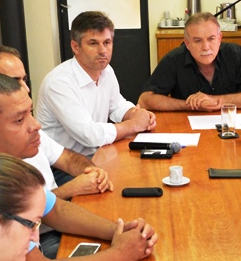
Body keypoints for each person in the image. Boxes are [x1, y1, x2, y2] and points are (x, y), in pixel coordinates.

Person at [0, 73, 157, 261]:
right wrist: (122, 253)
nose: (36, 125)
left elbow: (55, 210)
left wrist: (120, 231)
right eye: (19, 120)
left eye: (30, 113)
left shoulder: (1, 161)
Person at [0, 45, 113, 200]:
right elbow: (23, 214)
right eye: (14, 81)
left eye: (24, 79)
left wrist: (94, 172)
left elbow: (69, 159)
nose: (26, 89)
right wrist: (71, 189)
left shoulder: (30, 129)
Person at [35, 11, 156, 180]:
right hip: (61, 167)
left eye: (107, 42)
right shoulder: (59, 83)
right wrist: (134, 125)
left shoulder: (106, 71)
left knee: (146, 171)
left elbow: (117, 105)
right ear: (75, 47)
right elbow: (90, 136)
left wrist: (137, 114)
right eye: (93, 43)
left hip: (96, 155)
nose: (102, 50)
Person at [137, 12, 241, 111]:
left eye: (211, 39)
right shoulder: (174, 59)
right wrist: (191, 105)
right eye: (198, 41)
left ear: (219, 38)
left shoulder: (236, 54)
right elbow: (146, 99)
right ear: (187, 43)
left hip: (232, 126)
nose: (206, 47)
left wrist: (216, 100)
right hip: (188, 129)